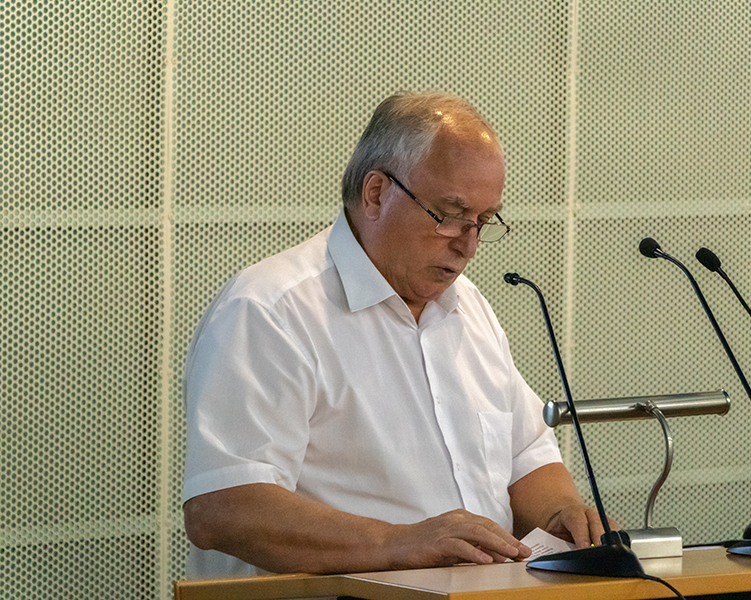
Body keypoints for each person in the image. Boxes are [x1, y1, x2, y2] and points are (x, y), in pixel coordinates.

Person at [181, 91, 608, 579]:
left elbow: (525, 455)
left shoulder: (469, 308)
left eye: (483, 222)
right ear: (377, 193)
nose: (468, 245)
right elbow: (224, 508)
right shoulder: (271, 310)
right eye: (449, 216)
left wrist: (561, 516)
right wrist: (398, 542)